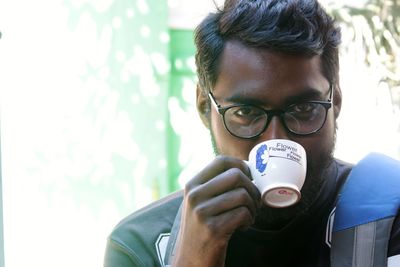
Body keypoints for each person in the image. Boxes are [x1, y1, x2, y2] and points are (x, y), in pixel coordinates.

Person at [104, 0, 400, 266]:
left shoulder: (387, 219)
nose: (275, 140)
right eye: (246, 113)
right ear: (205, 107)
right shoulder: (141, 247)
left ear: (335, 103)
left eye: (303, 110)